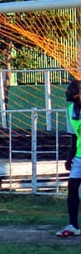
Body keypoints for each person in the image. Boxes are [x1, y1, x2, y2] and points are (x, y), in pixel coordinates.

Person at [58, 80, 81, 237]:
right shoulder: (71, 110)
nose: (66, 91)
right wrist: (69, 157)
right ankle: (74, 225)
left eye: (70, 89)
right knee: (72, 188)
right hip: (79, 157)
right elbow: (74, 136)